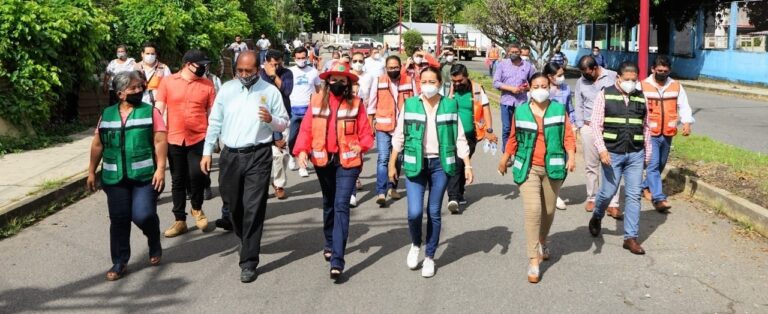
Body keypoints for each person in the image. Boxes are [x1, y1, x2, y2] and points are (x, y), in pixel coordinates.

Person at [201, 51, 289, 283]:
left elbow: (284, 121)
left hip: (258, 155)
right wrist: (207, 151)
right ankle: (244, 236)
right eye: (239, 70)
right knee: (233, 205)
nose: (243, 75)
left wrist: (271, 120)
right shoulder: (227, 90)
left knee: (253, 207)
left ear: (258, 69)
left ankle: (249, 261)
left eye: (248, 71)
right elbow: (215, 121)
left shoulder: (270, 91)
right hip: (230, 156)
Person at [389, 66, 473, 278]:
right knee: (414, 212)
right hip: (415, 162)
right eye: (424, 82)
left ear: (440, 84)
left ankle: (429, 256)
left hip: (440, 164)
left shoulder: (449, 105)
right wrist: (392, 163)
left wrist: (467, 164)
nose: (428, 86)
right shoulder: (410, 105)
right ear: (419, 83)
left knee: (434, 211)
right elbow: (399, 135)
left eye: (432, 82)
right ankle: (416, 244)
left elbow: (459, 136)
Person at [292, 63, 374, 281]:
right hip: (323, 161)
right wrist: (301, 150)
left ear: (348, 83)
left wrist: (362, 145)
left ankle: (338, 259)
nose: (337, 84)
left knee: (341, 205)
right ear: (327, 81)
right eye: (334, 79)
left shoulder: (357, 104)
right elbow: (307, 128)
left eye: (342, 80)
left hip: (348, 163)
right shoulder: (317, 101)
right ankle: (329, 242)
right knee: (329, 202)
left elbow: (367, 133)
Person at [87, 71, 167, 281]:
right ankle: (120, 261)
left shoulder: (151, 112)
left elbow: (159, 141)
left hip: (144, 176)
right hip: (114, 177)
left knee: (143, 215)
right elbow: (97, 144)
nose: (138, 91)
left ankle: (153, 239)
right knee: (119, 219)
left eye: (140, 87)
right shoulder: (107, 114)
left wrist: (160, 169)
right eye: (133, 88)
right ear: (121, 93)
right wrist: (91, 171)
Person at [497, 73, 576, 283]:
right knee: (533, 211)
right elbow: (513, 138)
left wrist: (572, 156)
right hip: (528, 167)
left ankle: (543, 240)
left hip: (554, 166)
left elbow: (568, 135)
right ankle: (533, 260)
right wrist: (504, 159)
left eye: (544, 85)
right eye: (536, 86)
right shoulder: (521, 111)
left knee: (549, 211)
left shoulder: (559, 110)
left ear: (549, 87)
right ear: (529, 89)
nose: (540, 89)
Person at [588, 61, 652, 255]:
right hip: (612, 153)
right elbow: (596, 125)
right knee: (607, 192)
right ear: (618, 78)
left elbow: (646, 127)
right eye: (627, 80)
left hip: (635, 153)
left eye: (634, 80)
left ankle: (630, 238)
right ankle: (597, 215)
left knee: (633, 195)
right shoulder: (605, 95)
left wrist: (647, 154)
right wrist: (602, 150)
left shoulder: (641, 98)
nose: (631, 83)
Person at [154, 49, 217, 238]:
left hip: (199, 137)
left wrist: (214, 139)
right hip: (173, 137)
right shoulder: (168, 82)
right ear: (188, 64)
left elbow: (212, 114)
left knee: (197, 174)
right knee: (178, 179)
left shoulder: (207, 85)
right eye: (201, 65)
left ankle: (196, 208)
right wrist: (157, 134)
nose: (204, 68)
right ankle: (179, 220)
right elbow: (159, 109)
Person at [640, 55, 695, 212]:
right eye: (659, 70)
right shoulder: (643, 86)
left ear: (669, 70)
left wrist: (686, 122)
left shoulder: (676, 86)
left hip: (668, 131)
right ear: (653, 69)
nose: (662, 73)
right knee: (653, 164)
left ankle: (644, 186)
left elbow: (684, 105)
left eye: (665, 70)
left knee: (661, 164)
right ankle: (659, 198)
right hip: (650, 132)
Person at [446, 64, 497, 213]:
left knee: (462, 164)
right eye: (454, 81)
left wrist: (489, 130)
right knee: (457, 163)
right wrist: (450, 93)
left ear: (467, 76)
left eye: (460, 81)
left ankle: (459, 192)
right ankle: (453, 197)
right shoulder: (450, 89)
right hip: (452, 133)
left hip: (471, 135)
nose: (457, 84)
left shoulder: (477, 90)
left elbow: (486, 109)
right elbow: (444, 106)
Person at [575, 55, 622, 217]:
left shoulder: (612, 76)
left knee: (612, 164)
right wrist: (580, 126)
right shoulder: (581, 81)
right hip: (588, 127)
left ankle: (613, 202)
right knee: (591, 165)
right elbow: (578, 104)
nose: (585, 76)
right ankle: (592, 197)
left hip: (610, 127)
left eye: (587, 73)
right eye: (582, 73)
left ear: (595, 68)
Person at [367, 56, 416, 206]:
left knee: (399, 159)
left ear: (400, 66)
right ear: (386, 68)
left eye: (396, 67)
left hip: (402, 128)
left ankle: (392, 188)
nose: (393, 70)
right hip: (383, 127)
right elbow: (372, 104)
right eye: (390, 68)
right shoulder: (379, 80)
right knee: (383, 158)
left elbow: (415, 101)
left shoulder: (408, 80)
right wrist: (370, 124)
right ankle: (381, 192)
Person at [260, 49, 294, 200]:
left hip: (282, 117)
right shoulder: (258, 74)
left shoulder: (286, 73)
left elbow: (286, 91)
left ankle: (278, 184)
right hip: (262, 118)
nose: (276, 66)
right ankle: (261, 185)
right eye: (273, 64)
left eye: (279, 64)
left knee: (281, 154)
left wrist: (274, 75)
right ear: (266, 61)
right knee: (264, 155)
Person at [542, 62, 575, 210]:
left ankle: (553, 190)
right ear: (550, 77)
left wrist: (574, 125)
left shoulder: (566, 88)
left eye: (563, 74)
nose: (562, 77)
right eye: (559, 75)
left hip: (565, 128)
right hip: (548, 130)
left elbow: (570, 108)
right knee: (549, 159)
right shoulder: (542, 90)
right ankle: (550, 193)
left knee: (565, 162)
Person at [493, 43, 536, 154]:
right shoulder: (502, 64)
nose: (514, 54)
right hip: (506, 101)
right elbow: (496, 82)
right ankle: (506, 152)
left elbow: (533, 83)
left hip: (521, 103)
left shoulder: (527, 66)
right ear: (508, 52)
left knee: (519, 128)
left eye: (516, 52)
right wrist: (511, 89)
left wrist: (526, 88)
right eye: (512, 52)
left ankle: (519, 152)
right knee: (507, 128)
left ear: (520, 52)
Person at [287, 47, 323, 177]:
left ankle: (303, 165)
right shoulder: (289, 72)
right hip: (293, 110)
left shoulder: (313, 72)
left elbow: (319, 90)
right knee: (292, 138)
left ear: (307, 58)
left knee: (307, 139)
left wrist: (320, 105)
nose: (301, 60)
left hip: (308, 110)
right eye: (298, 58)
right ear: (294, 58)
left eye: (303, 58)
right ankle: (292, 155)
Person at [349, 52, 375, 207]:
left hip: (363, 119)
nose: (358, 63)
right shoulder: (346, 75)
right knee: (350, 153)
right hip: (347, 119)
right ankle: (351, 192)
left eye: (360, 61)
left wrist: (371, 119)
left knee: (360, 154)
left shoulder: (369, 77)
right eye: (355, 61)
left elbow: (372, 100)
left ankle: (355, 175)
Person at [134, 42, 171, 107]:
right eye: (147, 53)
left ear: (156, 54)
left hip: (157, 104)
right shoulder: (135, 67)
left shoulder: (164, 68)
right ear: (142, 54)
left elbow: (170, 87)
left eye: (152, 54)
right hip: (139, 103)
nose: (150, 56)